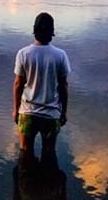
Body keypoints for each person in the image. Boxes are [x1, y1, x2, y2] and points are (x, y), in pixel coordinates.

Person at [13, 12, 71, 168]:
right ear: (52, 32)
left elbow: (18, 84)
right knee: (49, 151)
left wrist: (15, 109)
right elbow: (63, 86)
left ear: (34, 30)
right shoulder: (60, 55)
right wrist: (63, 112)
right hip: (51, 115)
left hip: (27, 113)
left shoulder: (23, 54)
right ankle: (48, 186)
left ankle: (25, 186)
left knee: (25, 151)